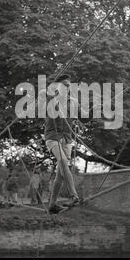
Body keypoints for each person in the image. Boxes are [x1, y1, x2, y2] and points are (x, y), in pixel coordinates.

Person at [44, 74, 81, 214]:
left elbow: (77, 117)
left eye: (68, 85)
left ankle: (52, 205)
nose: (67, 87)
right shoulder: (51, 99)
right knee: (64, 162)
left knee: (60, 173)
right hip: (53, 137)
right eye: (64, 84)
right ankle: (74, 196)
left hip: (67, 139)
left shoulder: (72, 102)